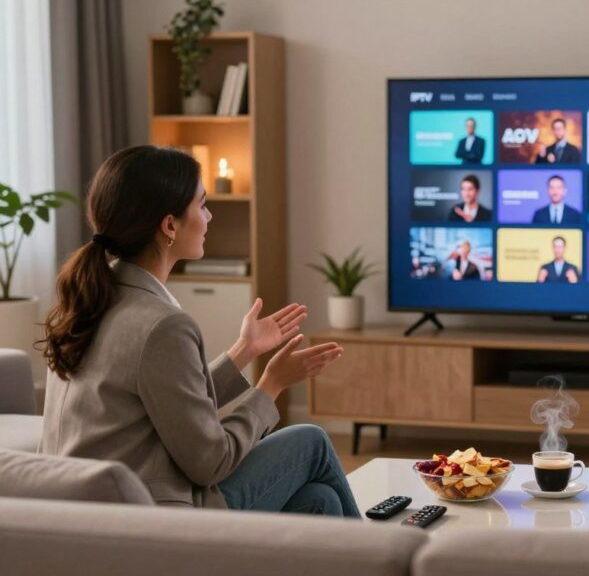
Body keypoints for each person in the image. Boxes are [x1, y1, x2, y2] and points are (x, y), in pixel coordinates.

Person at [39, 145, 360, 517]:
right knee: (312, 440)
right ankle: (387, 558)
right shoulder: (162, 325)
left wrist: (245, 350)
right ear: (170, 225)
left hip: (89, 513)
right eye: (202, 204)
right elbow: (211, 462)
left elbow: (166, 399)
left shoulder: (90, 297)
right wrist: (271, 385)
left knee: (321, 501)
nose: (209, 216)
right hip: (156, 518)